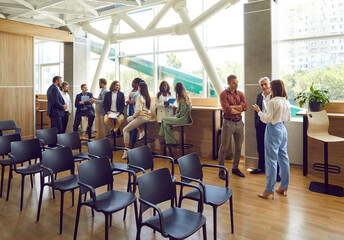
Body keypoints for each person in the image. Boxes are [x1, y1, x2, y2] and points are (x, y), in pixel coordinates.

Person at [253, 79, 291, 199]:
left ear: (273, 88)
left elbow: (266, 119)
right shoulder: (286, 101)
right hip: (283, 129)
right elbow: (288, 117)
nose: (267, 87)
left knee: (271, 160)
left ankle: (269, 189)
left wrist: (259, 111)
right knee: (284, 158)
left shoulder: (272, 102)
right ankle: (284, 186)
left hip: (273, 130)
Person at [218, 74, 248, 179]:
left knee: (238, 148)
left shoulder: (240, 94)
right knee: (224, 148)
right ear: (228, 83)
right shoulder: (223, 95)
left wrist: (233, 107)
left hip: (239, 123)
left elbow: (245, 107)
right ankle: (221, 170)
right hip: (228, 123)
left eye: (237, 82)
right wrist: (238, 108)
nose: (236, 84)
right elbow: (227, 110)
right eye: (234, 82)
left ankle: (235, 168)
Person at [158, 82, 191, 155]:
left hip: (182, 119)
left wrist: (176, 115)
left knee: (164, 120)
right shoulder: (184, 97)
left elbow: (182, 112)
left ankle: (168, 138)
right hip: (183, 118)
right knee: (165, 123)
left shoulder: (182, 98)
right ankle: (170, 140)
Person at [122, 82, 152, 158]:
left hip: (142, 117)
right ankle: (141, 130)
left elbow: (138, 111)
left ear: (140, 88)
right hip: (147, 116)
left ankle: (126, 151)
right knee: (129, 119)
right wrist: (134, 116)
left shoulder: (139, 97)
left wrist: (134, 116)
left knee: (125, 130)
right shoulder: (148, 97)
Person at [126, 78, 143, 148]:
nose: (131, 84)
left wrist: (133, 102)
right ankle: (130, 143)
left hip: (135, 110)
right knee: (130, 127)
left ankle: (132, 145)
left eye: (133, 82)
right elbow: (131, 98)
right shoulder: (131, 90)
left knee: (134, 128)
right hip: (130, 109)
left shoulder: (140, 91)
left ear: (136, 83)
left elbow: (141, 102)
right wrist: (128, 101)